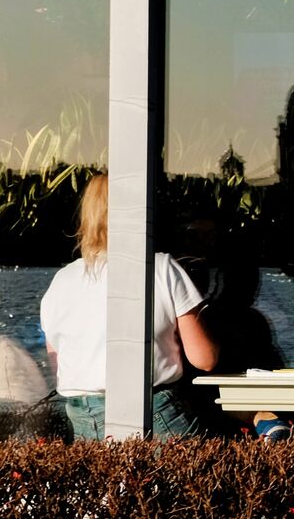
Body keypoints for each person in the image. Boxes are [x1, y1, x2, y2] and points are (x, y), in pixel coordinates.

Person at [39, 173, 218, 440]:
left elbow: (61, 367)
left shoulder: (60, 282)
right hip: (156, 413)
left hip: (84, 421)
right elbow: (204, 359)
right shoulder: (162, 268)